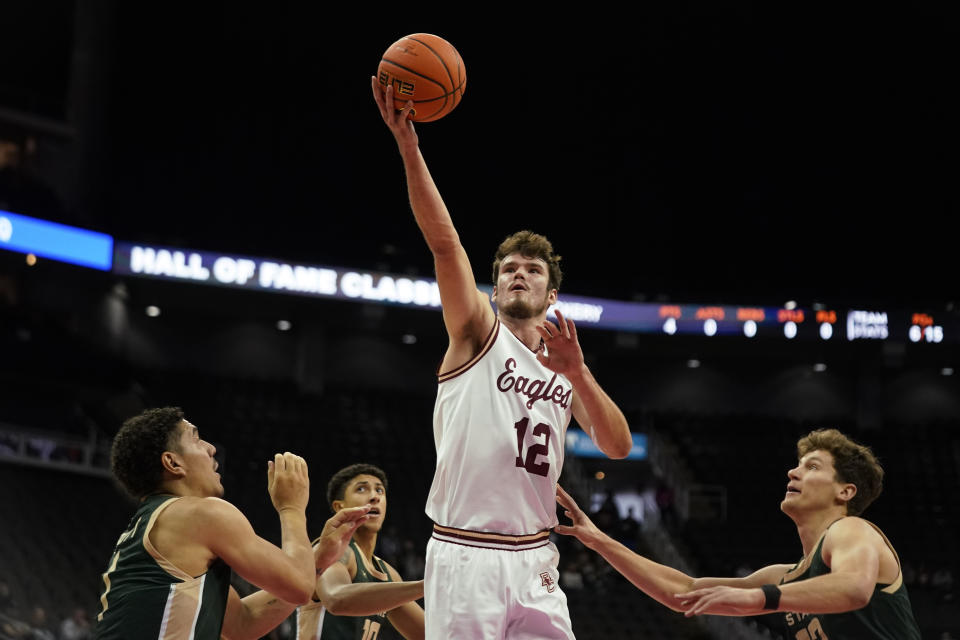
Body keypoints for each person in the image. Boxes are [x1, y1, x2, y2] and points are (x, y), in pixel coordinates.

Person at [372, 79, 633, 639]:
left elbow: (617, 446)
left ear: (552, 295)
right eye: (509, 268)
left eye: (533, 270)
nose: (519, 273)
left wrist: (578, 373)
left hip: (537, 557)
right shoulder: (475, 333)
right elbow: (445, 245)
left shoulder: (566, 365)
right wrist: (409, 147)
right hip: (466, 551)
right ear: (493, 291)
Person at [555, 428, 922, 639]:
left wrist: (759, 599)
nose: (793, 474)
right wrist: (599, 540)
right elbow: (684, 593)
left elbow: (853, 588)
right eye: (796, 466)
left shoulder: (852, 530)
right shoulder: (785, 576)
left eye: (811, 467)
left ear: (846, 491)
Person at [93, 407, 371, 640]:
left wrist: (318, 560)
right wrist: (291, 508)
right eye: (196, 439)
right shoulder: (198, 514)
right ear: (173, 462)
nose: (211, 448)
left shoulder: (156, 523)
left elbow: (244, 623)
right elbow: (299, 587)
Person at [297, 463, 425, 640]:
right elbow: (336, 599)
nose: (374, 497)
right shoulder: (331, 552)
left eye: (380, 491)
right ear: (339, 507)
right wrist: (426, 585)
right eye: (362, 489)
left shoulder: (387, 573)